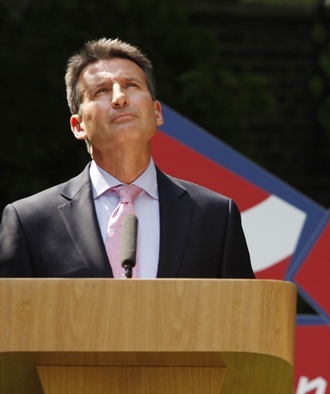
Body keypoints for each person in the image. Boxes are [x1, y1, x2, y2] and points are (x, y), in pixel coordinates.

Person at [0, 38, 254, 279]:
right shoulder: (30, 221)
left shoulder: (215, 216)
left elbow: (242, 314)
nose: (119, 98)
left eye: (131, 85)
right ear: (78, 126)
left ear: (156, 113)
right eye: (101, 90)